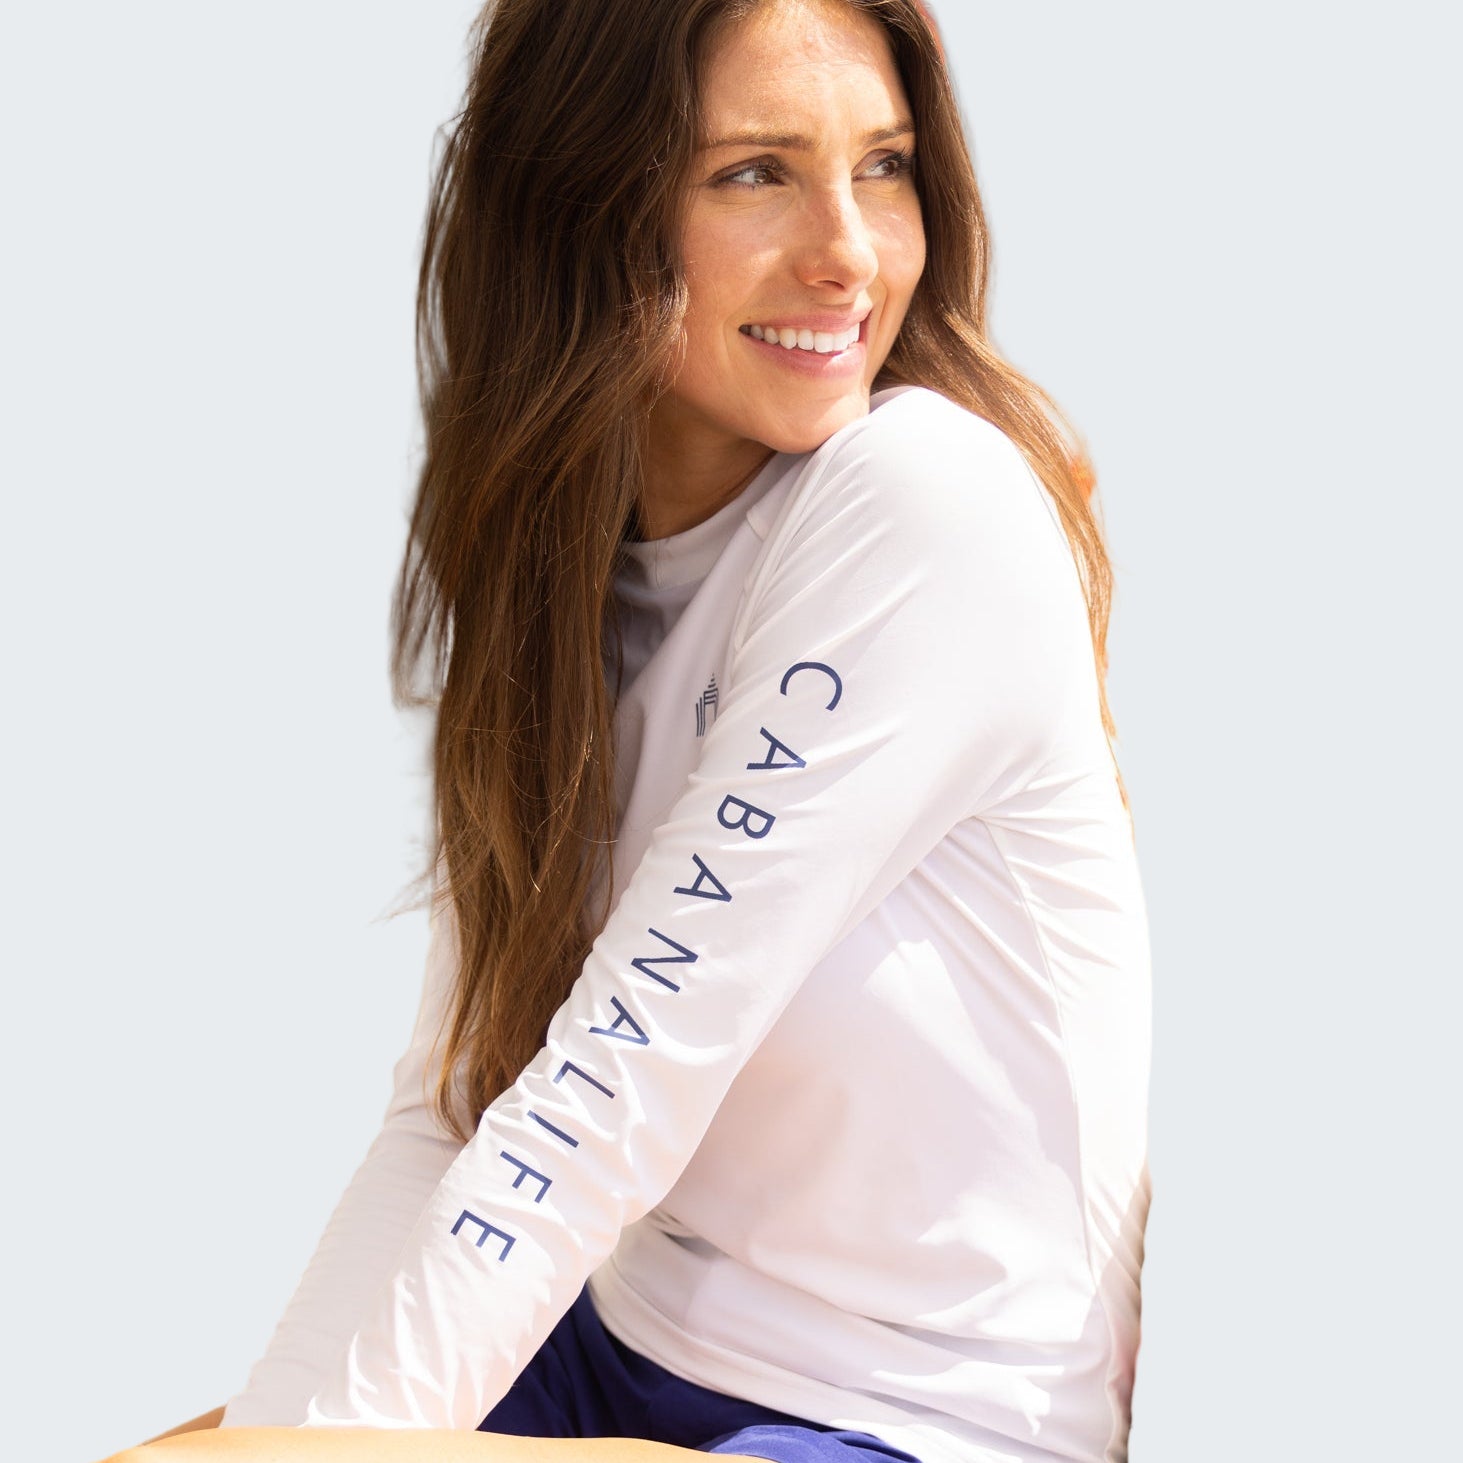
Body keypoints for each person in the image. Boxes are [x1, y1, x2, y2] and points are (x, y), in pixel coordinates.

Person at [104, 0, 1150, 1460]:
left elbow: (617, 1085)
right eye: (752, 173)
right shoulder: (564, 563)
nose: (849, 251)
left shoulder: (922, 506)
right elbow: (461, 1104)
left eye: (887, 165)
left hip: (927, 1426)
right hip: (629, 1359)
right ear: (583, 200)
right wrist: (292, 1442)